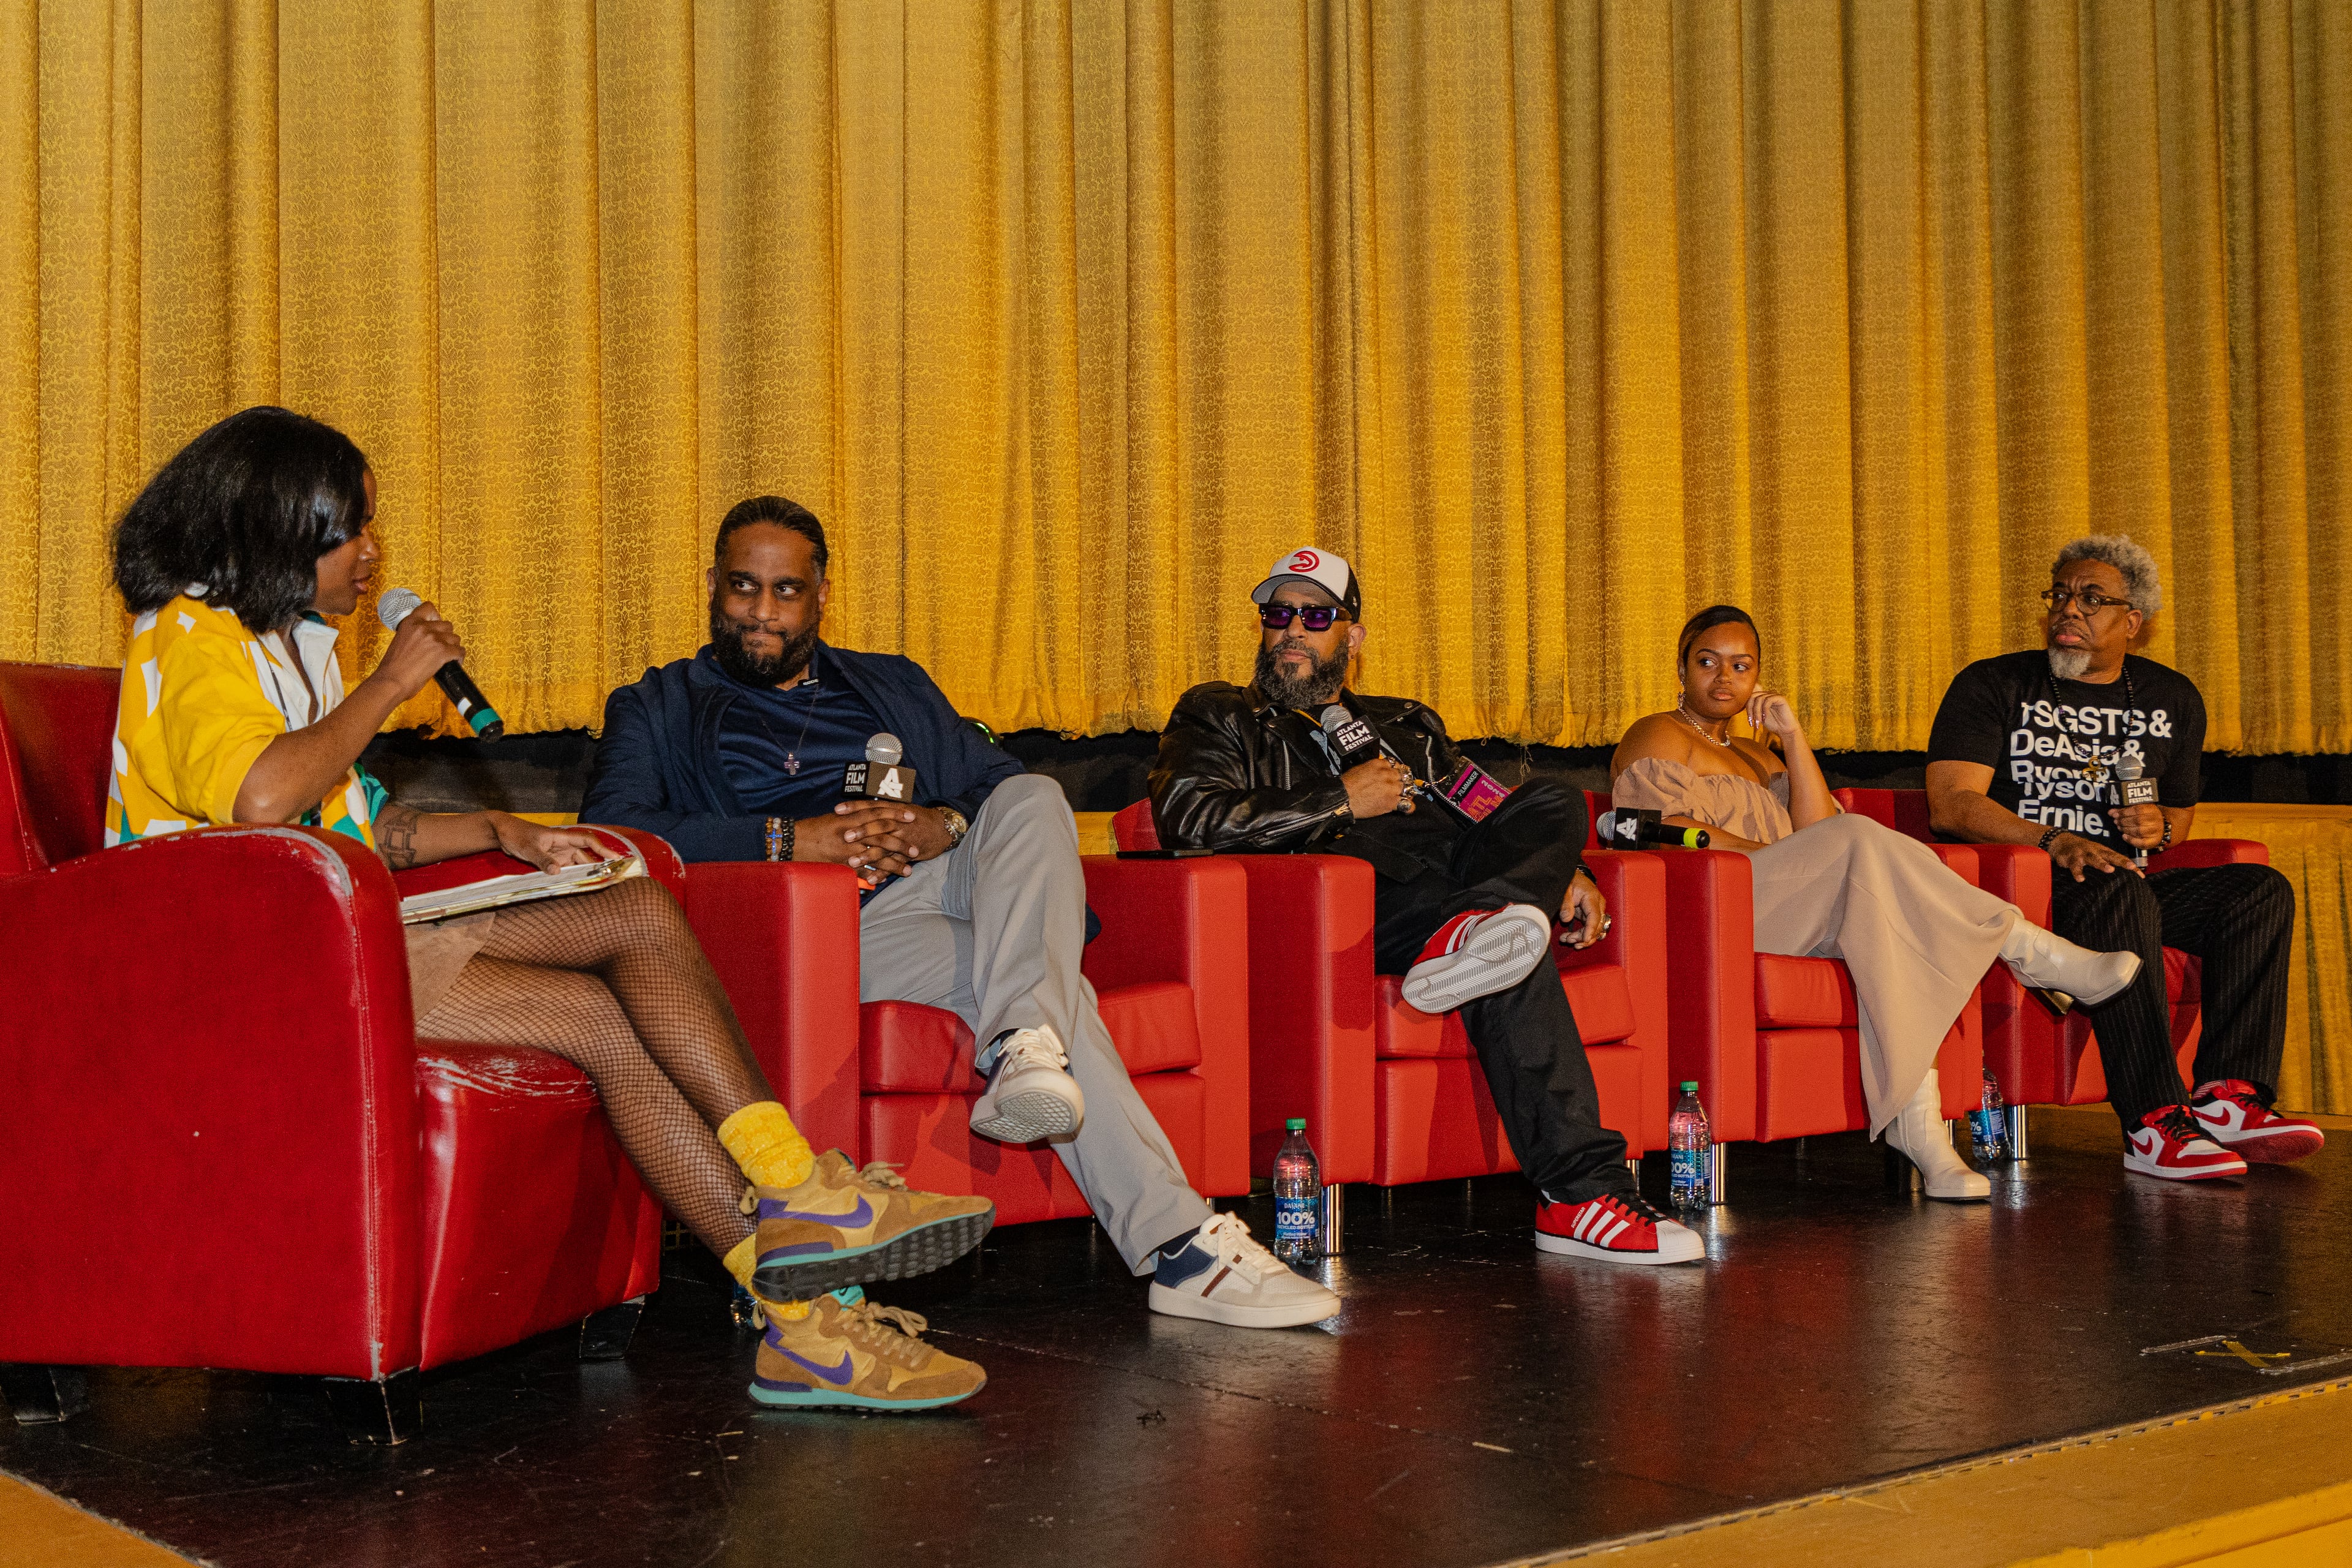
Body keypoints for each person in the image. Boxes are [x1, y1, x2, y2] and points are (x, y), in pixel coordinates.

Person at [107, 407, 993, 1412]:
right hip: (235, 970)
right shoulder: (186, 635)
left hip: (334, 936)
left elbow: (368, 834)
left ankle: (802, 1317)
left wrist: (500, 831)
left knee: (616, 972)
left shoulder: (295, 648)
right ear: (283, 528)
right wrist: (393, 683)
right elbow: (262, 800)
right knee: (634, 916)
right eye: (354, 528)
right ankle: (801, 1194)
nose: (372, 551)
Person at [582, 497, 1340, 1330]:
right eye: (743, 589)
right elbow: (619, 834)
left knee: (1031, 795)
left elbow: (990, 782)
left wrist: (939, 826)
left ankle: (1025, 1048)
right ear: (714, 588)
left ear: (821, 596)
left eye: (786, 591)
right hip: (817, 933)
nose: (763, 613)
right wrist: (786, 840)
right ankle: (1182, 1247)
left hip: (934, 882)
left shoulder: (888, 684)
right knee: (1060, 997)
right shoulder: (657, 705)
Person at [1149, 546, 1702, 1265]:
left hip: (1457, 888)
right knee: (1508, 943)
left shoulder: (1407, 722)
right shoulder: (1222, 713)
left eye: (1315, 615)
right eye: (1277, 614)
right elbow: (1189, 818)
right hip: (1351, 908)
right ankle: (1579, 1192)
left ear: (1352, 636)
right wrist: (1341, 799)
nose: (1291, 630)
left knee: (1555, 801)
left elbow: (1488, 807)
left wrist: (1563, 872)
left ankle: (1477, 927)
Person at [1611, 605, 2153, 1200]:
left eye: (1741, 665)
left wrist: (1792, 738)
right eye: (1707, 661)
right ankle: (2029, 949)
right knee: (1862, 839)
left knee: (1886, 924)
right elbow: (1659, 827)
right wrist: (1775, 853)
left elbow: (1819, 827)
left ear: (1757, 677)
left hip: (1797, 906)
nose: (1723, 677)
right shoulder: (1656, 732)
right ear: (1682, 668)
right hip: (1722, 906)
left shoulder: (1760, 756)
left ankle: (1920, 1131)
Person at [1924, 535, 2323, 1180]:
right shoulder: (1994, 683)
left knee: (2259, 890)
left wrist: (2160, 826)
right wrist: (2050, 839)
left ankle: (2227, 1096)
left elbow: (2179, 816)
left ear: (2132, 622)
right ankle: (2152, 1121)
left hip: (2122, 886)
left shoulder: (2172, 698)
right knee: (2121, 891)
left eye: (2091, 599)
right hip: (2020, 889)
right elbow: (1950, 803)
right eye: (2059, 596)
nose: (2068, 611)